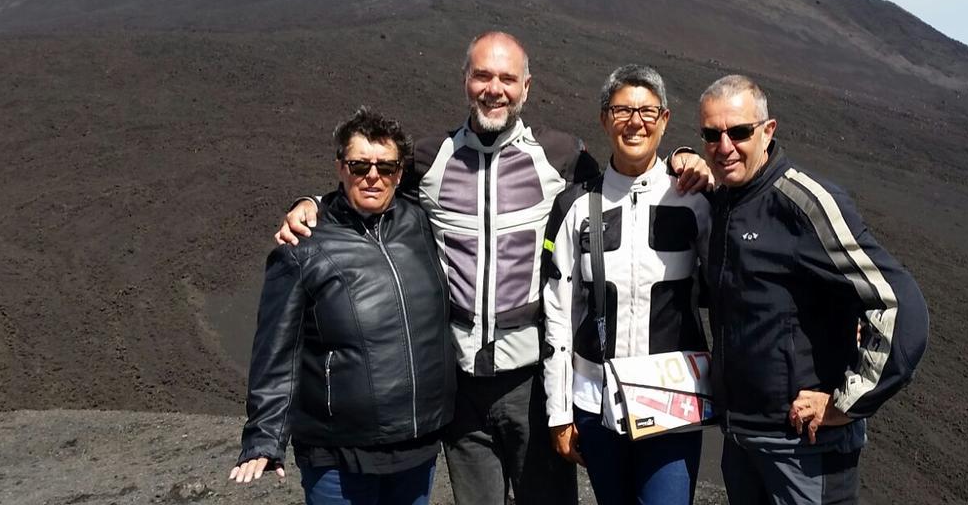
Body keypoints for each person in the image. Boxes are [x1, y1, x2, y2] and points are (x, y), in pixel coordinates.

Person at [276, 32, 711, 505]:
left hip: (530, 377)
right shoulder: (429, 157)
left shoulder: (561, 156)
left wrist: (683, 158)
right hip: (459, 382)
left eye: (507, 78)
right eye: (483, 75)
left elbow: (627, 171)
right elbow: (369, 182)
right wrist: (314, 203)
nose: (494, 89)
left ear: (527, 87)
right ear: (466, 81)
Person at [697, 75, 929, 505]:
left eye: (739, 132)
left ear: (768, 131)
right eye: (712, 134)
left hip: (804, 448)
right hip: (741, 440)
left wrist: (847, 402)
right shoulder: (725, 203)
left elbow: (899, 304)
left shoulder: (804, 203)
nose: (724, 145)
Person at [230, 107, 455, 505]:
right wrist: (265, 436)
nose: (373, 176)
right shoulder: (303, 247)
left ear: (400, 173)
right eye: (359, 165)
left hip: (416, 449)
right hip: (339, 456)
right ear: (340, 167)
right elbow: (276, 350)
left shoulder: (419, 222)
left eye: (386, 168)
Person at [542, 65, 711, 505]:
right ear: (603, 119)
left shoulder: (695, 199)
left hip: (673, 404)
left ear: (666, 120)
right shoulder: (575, 206)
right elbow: (558, 315)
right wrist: (559, 413)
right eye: (622, 110)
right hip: (595, 403)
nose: (635, 121)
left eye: (647, 112)